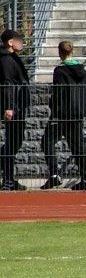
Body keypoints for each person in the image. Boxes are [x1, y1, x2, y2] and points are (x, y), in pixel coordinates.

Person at [41, 40, 86, 190]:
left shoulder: (60, 71)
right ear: (72, 51)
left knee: (47, 141)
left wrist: (54, 109)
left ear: (60, 52)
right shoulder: (83, 71)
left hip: (62, 114)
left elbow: (59, 92)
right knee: (78, 147)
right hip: (77, 113)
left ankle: (54, 175)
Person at [0, 28, 26, 191]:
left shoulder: (12, 58)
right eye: (18, 39)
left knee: (15, 143)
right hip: (14, 107)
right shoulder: (6, 60)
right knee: (11, 144)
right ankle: (8, 180)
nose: (21, 43)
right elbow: (8, 84)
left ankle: (10, 179)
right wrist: (9, 107)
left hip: (19, 106)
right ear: (10, 42)